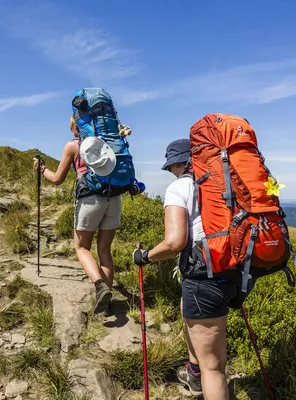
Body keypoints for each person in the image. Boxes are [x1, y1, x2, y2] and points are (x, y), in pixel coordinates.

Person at [132, 139, 253, 400]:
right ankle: (194, 373)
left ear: (179, 163)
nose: (171, 172)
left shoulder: (180, 187)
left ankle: (203, 375)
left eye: (171, 167)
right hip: (235, 272)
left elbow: (175, 243)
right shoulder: (226, 183)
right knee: (187, 307)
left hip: (203, 277)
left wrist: (145, 257)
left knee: (215, 367)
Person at [33, 115, 132, 315]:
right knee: (104, 250)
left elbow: (57, 179)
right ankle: (107, 304)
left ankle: (99, 287)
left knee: (81, 247)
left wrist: (42, 169)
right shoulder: (108, 143)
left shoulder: (73, 146)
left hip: (89, 200)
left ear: (76, 128)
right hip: (114, 198)